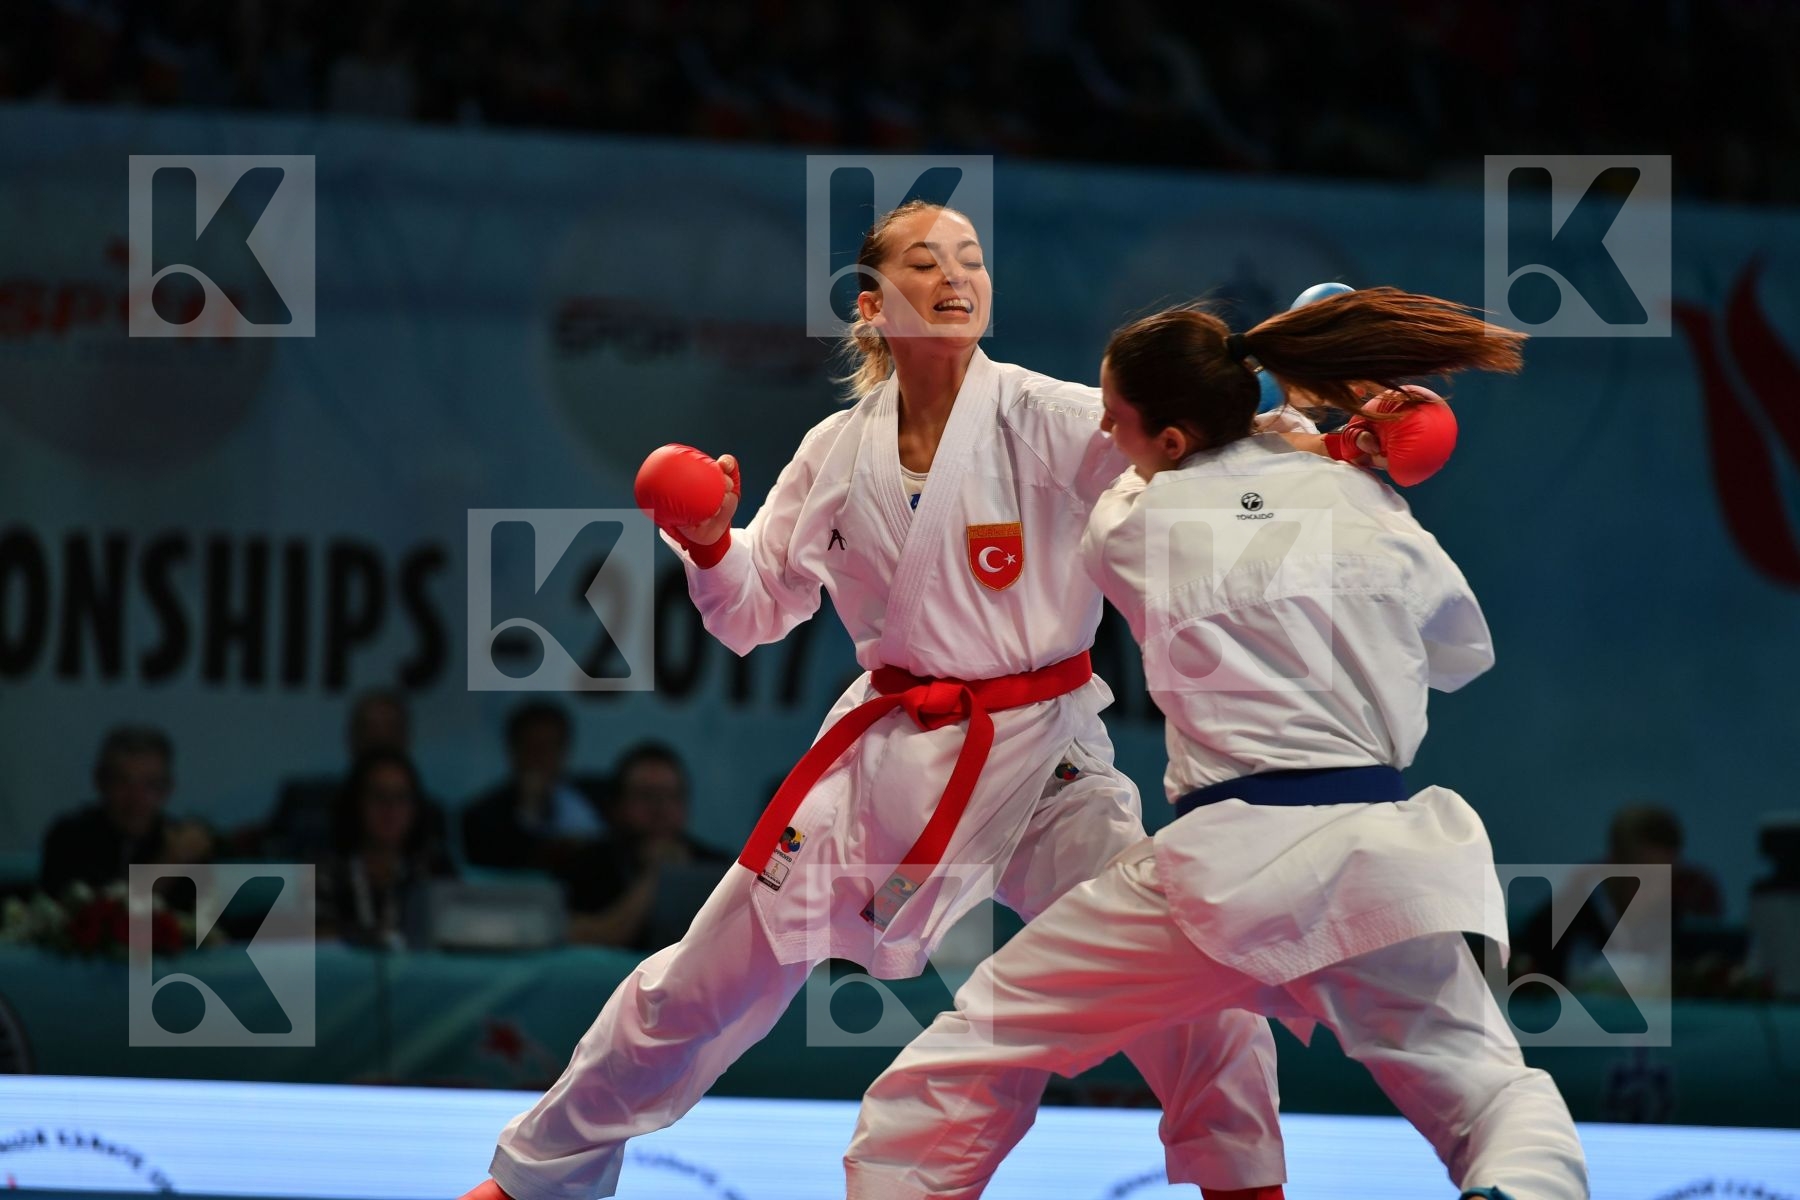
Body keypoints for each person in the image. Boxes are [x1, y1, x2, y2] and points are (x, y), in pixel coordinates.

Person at [470, 203, 1436, 1200]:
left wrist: (1329, 447)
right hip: (887, 766)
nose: (955, 275)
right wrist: (714, 543)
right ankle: (534, 1177)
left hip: (1047, 766)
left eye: (971, 259)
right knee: (699, 986)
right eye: (924, 262)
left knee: (1191, 982)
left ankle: (1248, 1189)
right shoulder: (835, 453)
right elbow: (756, 612)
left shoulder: (1056, 419)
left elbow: (1194, 465)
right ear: (871, 303)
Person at [845, 292, 1589, 1200]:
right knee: (1487, 1088)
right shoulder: (1366, 501)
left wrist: (1294, 431)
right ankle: (1526, 1189)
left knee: (971, 1050)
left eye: (1115, 420)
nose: (1105, 435)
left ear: (1167, 440)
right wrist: (1331, 456)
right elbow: (1459, 659)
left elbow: (1179, 490)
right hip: (1380, 858)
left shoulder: (1131, 526)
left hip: (1226, 877)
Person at [562, 742, 731, 953]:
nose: (660, 809)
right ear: (618, 805)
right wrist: (657, 875)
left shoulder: (718, 867)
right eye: (645, 795)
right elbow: (590, 937)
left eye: (672, 796)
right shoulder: (587, 864)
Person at [262, 688, 447, 865]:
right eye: (369, 727)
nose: (379, 738)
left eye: (390, 728)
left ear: (406, 736)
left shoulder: (429, 818)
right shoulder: (303, 802)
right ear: (351, 734)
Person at [40, 725, 212, 899]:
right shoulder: (69, 837)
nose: (136, 797)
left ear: (168, 789)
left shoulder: (183, 844)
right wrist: (168, 863)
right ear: (100, 782)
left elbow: (202, 922)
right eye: (122, 782)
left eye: (150, 785)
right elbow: (86, 915)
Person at [316, 748, 456, 950]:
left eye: (401, 797)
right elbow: (304, 945)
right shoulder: (323, 866)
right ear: (356, 803)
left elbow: (454, 935)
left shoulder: (434, 867)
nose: (390, 808)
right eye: (378, 796)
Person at [461, 700, 607, 873]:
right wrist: (530, 809)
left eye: (550, 746)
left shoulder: (597, 794)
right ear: (513, 750)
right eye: (533, 747)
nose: (541, 758)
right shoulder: (482, 816)